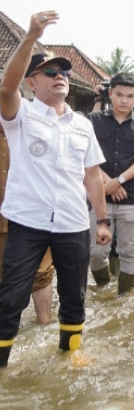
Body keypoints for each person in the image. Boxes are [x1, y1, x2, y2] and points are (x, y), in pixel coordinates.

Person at [0, 11, 111, 367]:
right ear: (31, 82)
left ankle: (71, 356)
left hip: (73, 223)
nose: (61, 76)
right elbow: (5, 88)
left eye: (64, 72)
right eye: (51, 72)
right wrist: (30, 36)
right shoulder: (21, 115)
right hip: (27, 222)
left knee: (75, 297)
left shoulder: (82, 124)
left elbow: (92, 175)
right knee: (10, 297)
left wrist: (104, 220)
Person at [86, 72, 134, 295]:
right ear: (110, 94)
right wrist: (109, 182)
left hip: (131, 197)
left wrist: (119, 180)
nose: (124, 100)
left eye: (129, 96)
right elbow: (87, 157)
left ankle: (124, 299)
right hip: (99, 196)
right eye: (119, 95)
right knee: (96, 252)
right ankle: (103, 290)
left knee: (129, 251)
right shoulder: (93, 120)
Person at [0, 123, 54, 325]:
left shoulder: (34, 129)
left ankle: (44, 325)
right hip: (3, 217)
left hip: (32, 215)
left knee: (42, 274)